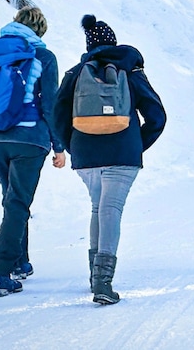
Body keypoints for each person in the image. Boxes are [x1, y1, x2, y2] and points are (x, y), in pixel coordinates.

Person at [54, 15, 166, 304]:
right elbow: (157, 116)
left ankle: (95, 275)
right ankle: (103, 283)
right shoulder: (131, 71)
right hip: (122, 155)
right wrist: (136, 145)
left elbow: (56, 116)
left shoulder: (76, 73)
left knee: (98, 208)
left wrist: (73, 145)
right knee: (110, 210)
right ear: (113, 42)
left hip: (86, 155)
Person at [0, 6, 66, 297]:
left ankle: (21, 262)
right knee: (17, 203)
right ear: (41, 30)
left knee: (12, 200)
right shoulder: (44, 57)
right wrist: (59, 146)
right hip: (29, 141)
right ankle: (1, 273)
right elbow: (50, 106)